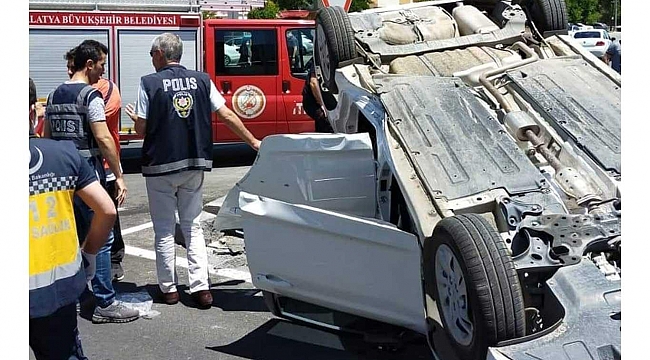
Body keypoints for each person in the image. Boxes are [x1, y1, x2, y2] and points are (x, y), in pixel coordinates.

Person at [126, 32, 261, 309]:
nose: (151, 59)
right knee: (193, 226)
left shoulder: (148, 83)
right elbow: (225, 114)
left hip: (160, 165)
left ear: (161, 54)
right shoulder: (202, 80)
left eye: (152, 54)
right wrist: (253, 141)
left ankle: (170, 290)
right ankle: (201, 289)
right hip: (194, 163)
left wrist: (135, 120)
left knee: (164, 230)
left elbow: (141, 130)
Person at [44, 40, 138, 323]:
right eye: (101, 65)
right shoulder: (91, 96)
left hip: (60, 176)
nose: (103, 70)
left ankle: (72, 297)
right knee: (103, 237)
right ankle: (104, 302)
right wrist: (119, 176)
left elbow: (48, 137)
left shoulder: (52, 96)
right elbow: (103, 137)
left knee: (71, 237)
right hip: (86, 175)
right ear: (89, 65)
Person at [29, 77, 116, 359]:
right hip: (58, 293)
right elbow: (107, 210)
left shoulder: (59, 94)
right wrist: (89, 256)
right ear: (33, 112)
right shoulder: (64, 154)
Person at [66, 48, 127, 281]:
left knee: (108, 219)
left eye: (73, 67)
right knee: (91, 221)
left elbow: (101, 131)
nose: (70, 71)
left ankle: (113, 261)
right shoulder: (77, 92)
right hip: (83, 169)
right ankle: (95, 284)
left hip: (103, 164)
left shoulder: (105, 91)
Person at [302, 61, 334, 133]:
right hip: (313, 102)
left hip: (315, 101)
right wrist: (322, 104)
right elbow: (313, 82)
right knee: (327, 124)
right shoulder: (318, 60)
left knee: (321, 127)